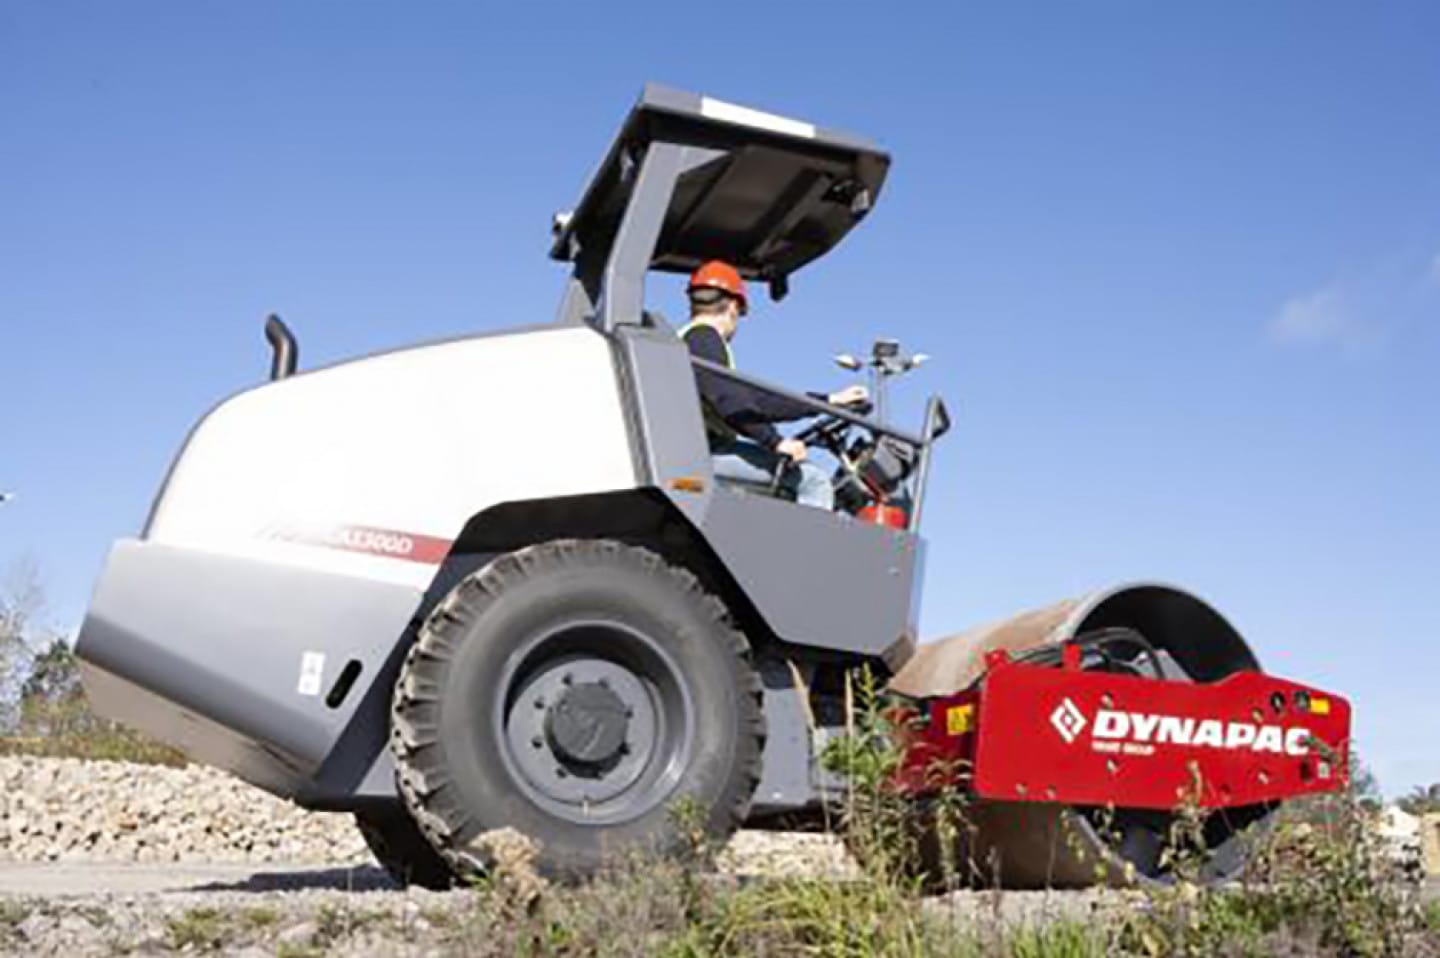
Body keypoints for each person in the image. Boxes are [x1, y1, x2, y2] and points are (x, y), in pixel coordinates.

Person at [679, 260, 867, 510]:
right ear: (734, 307)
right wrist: (776, 441)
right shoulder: (704, 339)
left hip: (696, 448)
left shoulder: (693, 341)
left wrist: (829, 401)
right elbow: (731, 401)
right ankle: (808, 549)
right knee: (813, 481)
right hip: (701, 453)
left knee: (776, 487)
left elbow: (759, 401)